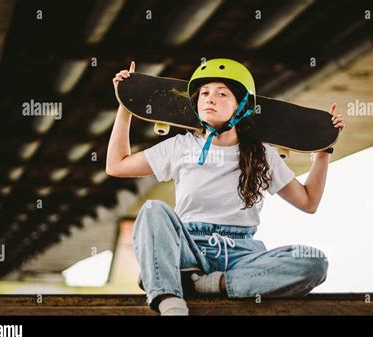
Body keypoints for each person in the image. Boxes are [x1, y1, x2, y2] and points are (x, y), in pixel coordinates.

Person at [106, 58, 345, 315]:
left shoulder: (263, 155)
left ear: (241, 106)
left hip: (242, 257)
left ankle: (212, 284)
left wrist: (323, 152)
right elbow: (116, 165)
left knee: (314, 261)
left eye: (222, 94)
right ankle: (169, 301)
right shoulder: (181, 146)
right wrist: (126, 107)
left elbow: (308, 202)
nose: (210, 99)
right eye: (205, 93)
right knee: (153, 210)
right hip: (189, 251)